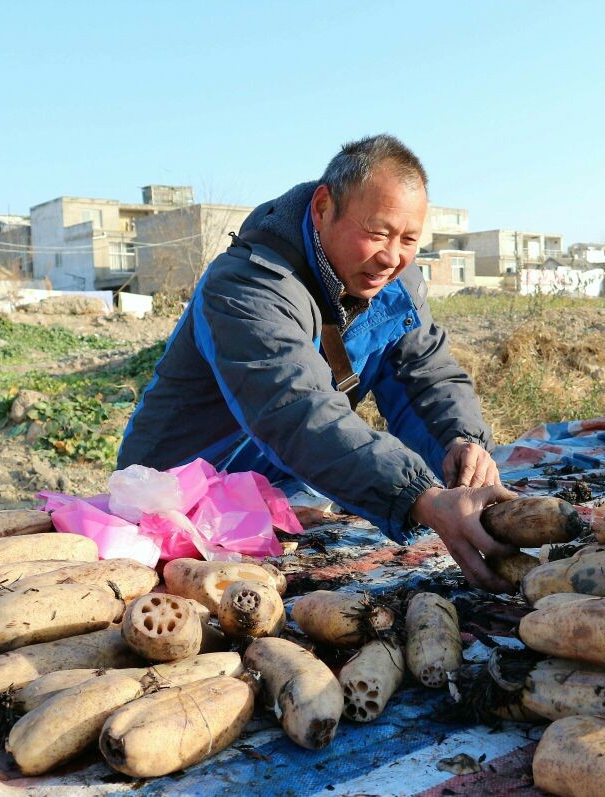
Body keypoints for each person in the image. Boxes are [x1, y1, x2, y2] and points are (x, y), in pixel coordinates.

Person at [118, 134, 516, 591]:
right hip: (174, 499)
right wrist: (418, 497)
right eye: (377, 233)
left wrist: (461, 445)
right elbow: (298, 413)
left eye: (409, 239)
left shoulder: (392, 282)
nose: (392, 257)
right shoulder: (246, 289)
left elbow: (425, 377)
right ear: (323, 207)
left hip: (281, 486)